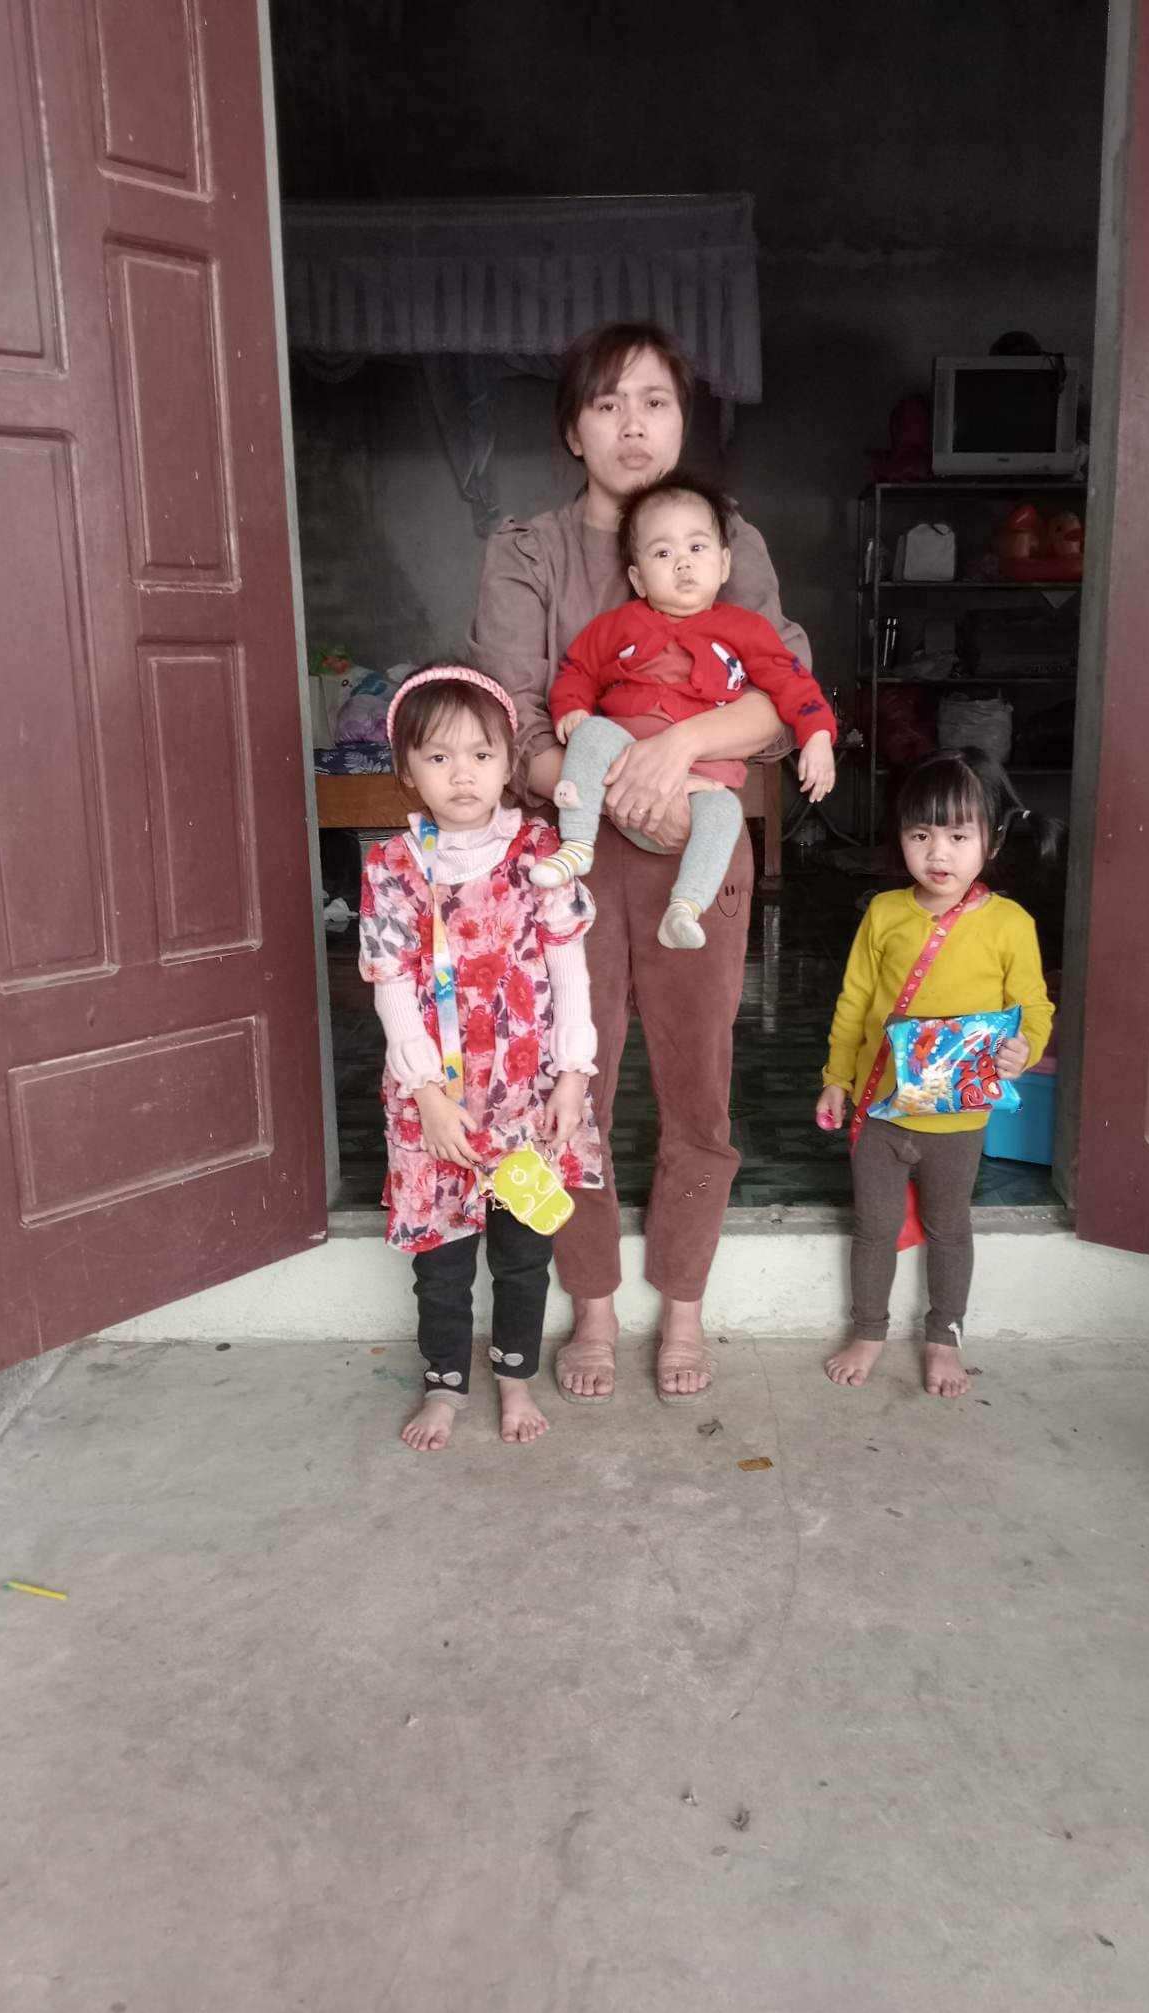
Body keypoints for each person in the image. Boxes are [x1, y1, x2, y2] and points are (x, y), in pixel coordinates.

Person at [469, 323, 809, 1403]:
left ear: (684, 420)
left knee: (698, 1086)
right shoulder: (528, 550)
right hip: (566, 858)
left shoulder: (729, 539)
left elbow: (785, 694)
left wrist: (677, 745)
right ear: (573, 429)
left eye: (655, 401)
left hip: (695, 856)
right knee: (568, 1088)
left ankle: (686, 1303)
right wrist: (608, 780)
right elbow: (509, 715)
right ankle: (593, 1303)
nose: (633, 424)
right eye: (607, 403)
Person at [359, 664, 602, 1451]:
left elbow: (568, 968)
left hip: (528, 1097)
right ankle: (444, 1387)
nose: (461, 774)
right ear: (407, 770)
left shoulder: (541, 853)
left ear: (508, 763)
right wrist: (427, 1095)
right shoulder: (392, 866)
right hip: (437, 1103)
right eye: (438, 757)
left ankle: (514, 1378)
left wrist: (573, 1075)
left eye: (480, 754)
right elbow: (393, 984)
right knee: (442, 1260)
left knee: (524, 1254)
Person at [815, 749, 1058, 1398]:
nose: (937, 854)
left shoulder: (1011, 924)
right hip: (881, 1111)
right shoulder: (884, 913)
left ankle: (944, 1337)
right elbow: (854, 1002)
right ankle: (868, 1331)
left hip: (959, 1119)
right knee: (872, 1228)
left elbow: (1034, 1007)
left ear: (992, 839)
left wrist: (1024, 1049)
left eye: (957, 836)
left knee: (950, 1229)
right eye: (920, 835)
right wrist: (837, 1078)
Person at [530, 470, 836, 952]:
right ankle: (577, 847)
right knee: (590, 734)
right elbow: (577, 669)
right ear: (637, 578)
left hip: (701, 786)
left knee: (726, 815)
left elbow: (790, 680)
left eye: (697, 547)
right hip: (624, 769)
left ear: (724, 563)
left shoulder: (746, 628)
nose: (683, 564)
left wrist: (817, 733)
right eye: (662, 553)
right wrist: (571, 707)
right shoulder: (617, 625)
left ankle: (685, 907)